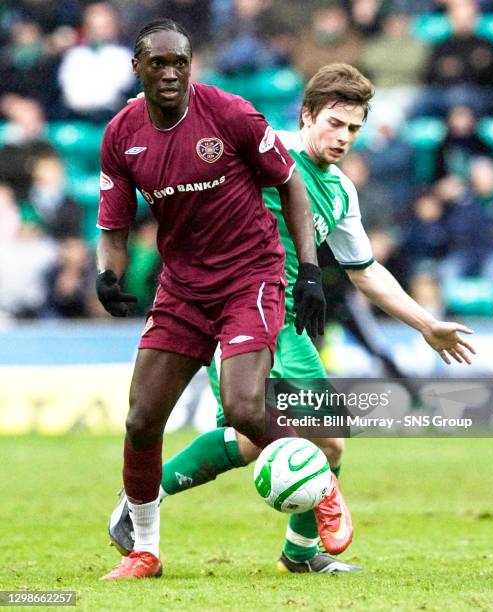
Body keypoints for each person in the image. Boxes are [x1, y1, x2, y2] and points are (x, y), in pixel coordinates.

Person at [108, 63, 476, 574]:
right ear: (307, 115)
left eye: (354, 129)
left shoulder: (342, 192)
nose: (343, 137)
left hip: (290, 320)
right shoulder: (262, 148)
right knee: (254, 427)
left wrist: (426, 324)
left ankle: (297, 553)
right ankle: (144, 497)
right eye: (334, 123)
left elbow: (365, 273)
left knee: (316, 436)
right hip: (234, 302)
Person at [96, 19, 326, 580]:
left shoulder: (230, 114)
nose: (171, 73)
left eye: (181, 62)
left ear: (191, 64)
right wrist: (110, 274)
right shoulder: (121, 135)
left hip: (250, 275)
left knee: (245, 407)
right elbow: (114, 227)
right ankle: (144, 550)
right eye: (159, 63)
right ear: (138, 68)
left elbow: (290, 183)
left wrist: (312, 270)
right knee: (141, 420)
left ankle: (320, 492)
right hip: (182, 286)